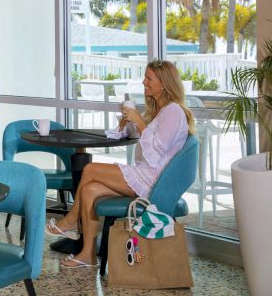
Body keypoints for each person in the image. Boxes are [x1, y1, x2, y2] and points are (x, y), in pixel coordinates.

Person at [47, 59, 195, 268]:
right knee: (89, 190)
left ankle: (71, 220)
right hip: (146, 173)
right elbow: (133, 134)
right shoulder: (159, 110)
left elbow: (156, 152)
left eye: (149, 78)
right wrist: (127, 121)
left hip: (156, 181)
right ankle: (87, 254)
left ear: (163, 83)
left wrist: (141, 122)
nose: (144, 82)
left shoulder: (174, 112)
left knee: (89, 169)